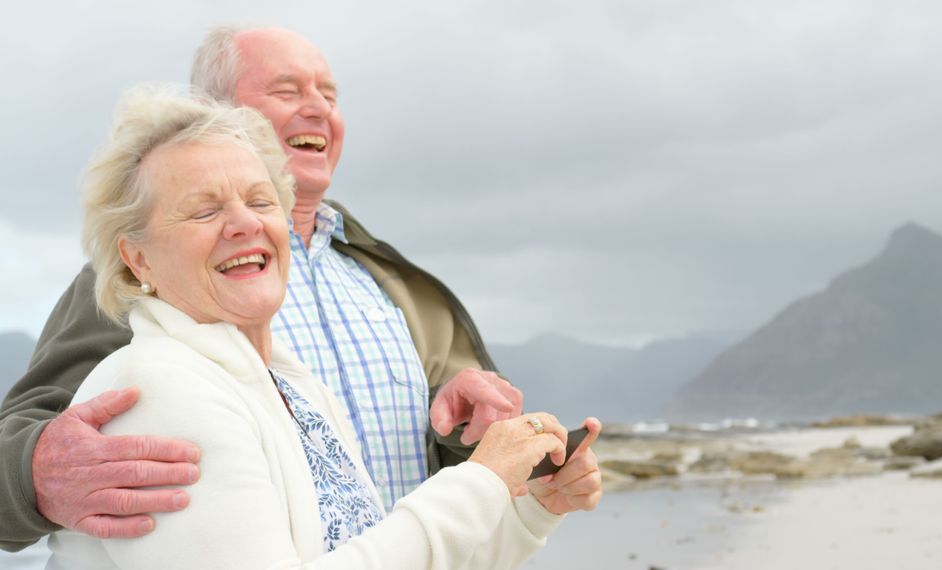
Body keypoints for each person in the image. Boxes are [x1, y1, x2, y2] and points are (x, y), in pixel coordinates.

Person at [0, 25, 568, 551]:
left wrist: (513, 481)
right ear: (210, 113)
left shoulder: (386, 290)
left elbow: (428, 497)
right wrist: (33, 472)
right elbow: (30, 447)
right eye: (288, 89)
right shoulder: (141, 287)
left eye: (329, 93)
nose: (318, 107)